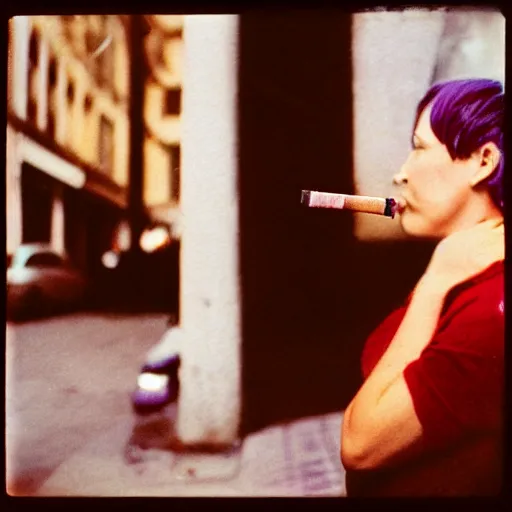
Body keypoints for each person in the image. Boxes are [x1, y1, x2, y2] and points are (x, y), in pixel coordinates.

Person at [340, 78, 505, 496]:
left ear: (483, 161)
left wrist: (436, 281)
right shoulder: (473, 272)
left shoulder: (490, 311)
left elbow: (359, 446)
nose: (401, 175)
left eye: (419, 146)